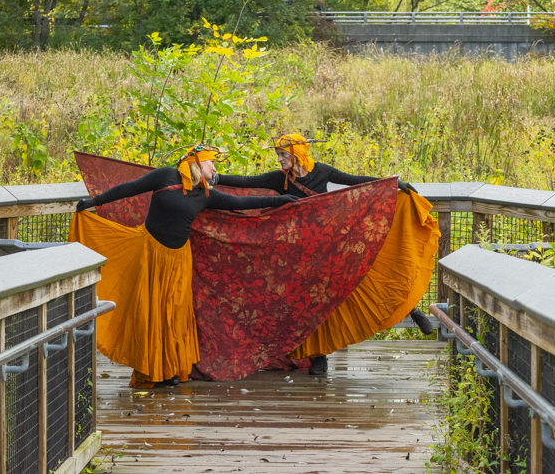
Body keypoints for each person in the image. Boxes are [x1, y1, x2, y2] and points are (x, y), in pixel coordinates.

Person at [71, 145, 297, 387]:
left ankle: (170, 370)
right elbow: (129, 189)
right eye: (212, 162)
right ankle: (152, 371)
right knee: (151, 313)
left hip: (178, 260)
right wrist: (92, 202)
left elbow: (240, 202)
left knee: (174, 315)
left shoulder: (204, 194)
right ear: (198, 162)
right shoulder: (165, 175)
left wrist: (278, 200)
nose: (215, 168)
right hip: (150, 254)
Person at [216, 133, 437, 375]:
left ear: (297, 154)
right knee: (310, 301)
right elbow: (246, 182)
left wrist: (393, 184)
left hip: (333, 242)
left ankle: (409, 308)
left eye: (283, 155)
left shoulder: (321, 171)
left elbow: (356, 182)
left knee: (362, 275)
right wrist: (213, 178)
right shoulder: (281, 179)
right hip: (302, 251)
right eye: (278, 155)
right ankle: (318, 357)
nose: (279, 159)